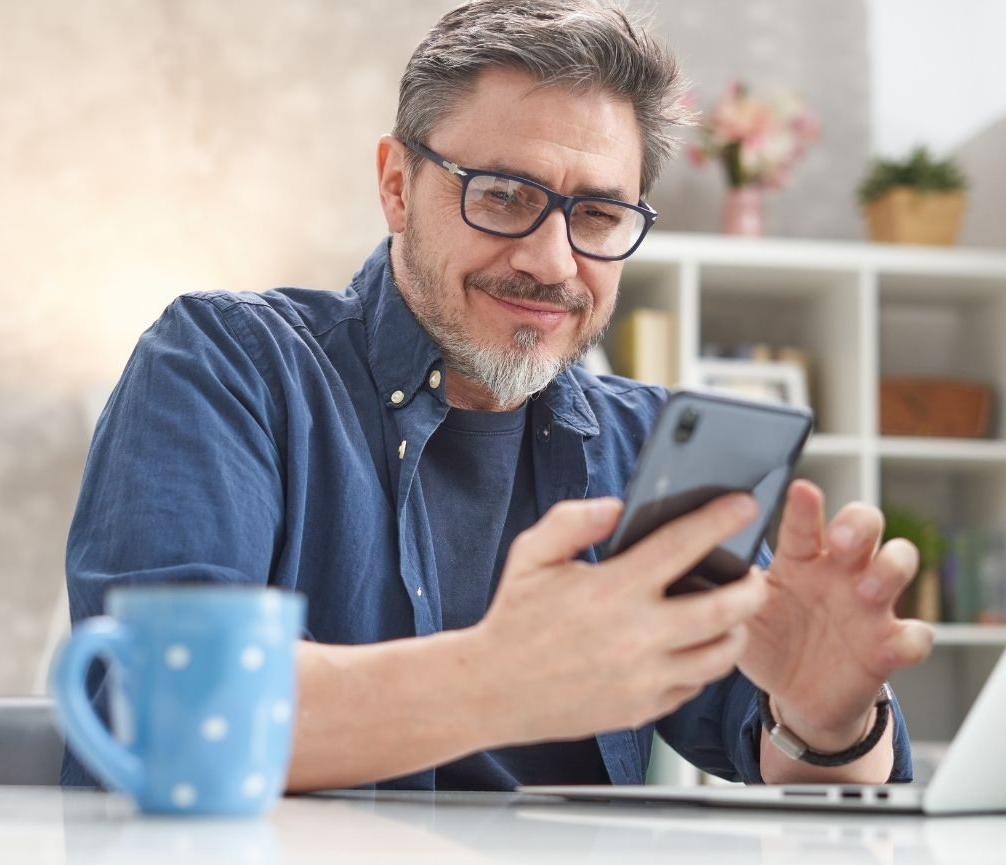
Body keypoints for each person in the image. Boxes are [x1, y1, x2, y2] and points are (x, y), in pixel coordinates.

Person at [62, 0, 934, 791]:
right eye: (505, 196)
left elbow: (784, 758)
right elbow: (168, 714)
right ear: (397, 185)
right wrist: (502, 679)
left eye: (597, 216)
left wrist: (826, 718)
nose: (553, 262)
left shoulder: (644, 445)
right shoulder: (228, 366)